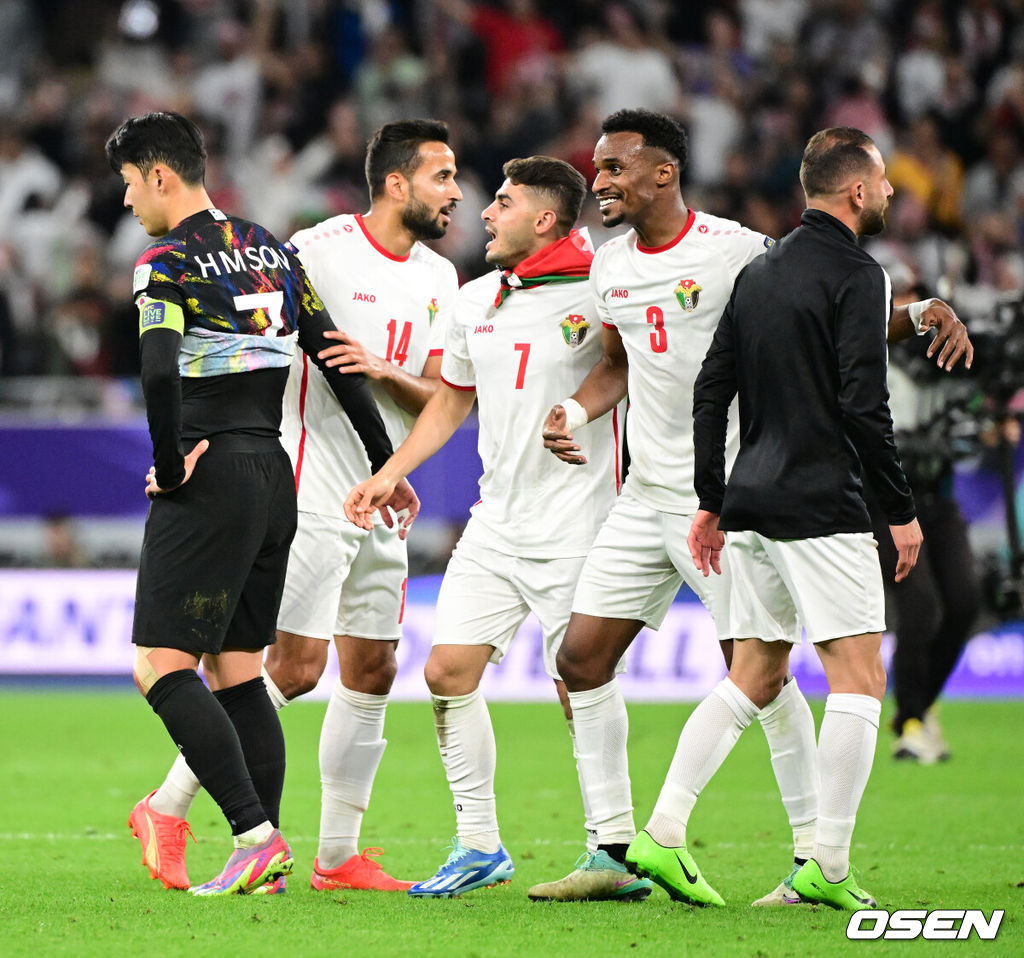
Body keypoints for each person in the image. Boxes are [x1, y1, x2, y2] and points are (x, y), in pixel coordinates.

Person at [535, 109, 968, 907]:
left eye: (614, 170)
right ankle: (616, 845)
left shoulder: (737, 251)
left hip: (733, 491)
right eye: (596, 171)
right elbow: (616, 365)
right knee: (581, 659)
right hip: (657, 495)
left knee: (760, 672)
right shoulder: (609, 267)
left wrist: (913, 316)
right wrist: (575, 411)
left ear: (662, 173)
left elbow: (826, 312)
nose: (599, 183)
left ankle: (806, 847)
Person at [129, 120, 462, 894]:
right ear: (395, 182)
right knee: (288, 667)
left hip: (363, 489)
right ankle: (184, 809)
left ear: (153, 178)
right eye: (442, 175)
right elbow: (309, 345)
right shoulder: (308, 246)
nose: (456, 191)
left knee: (368, 666)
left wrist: (391, 462)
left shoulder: (442, 279)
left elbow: (438, 391)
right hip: (304, 480)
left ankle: (322, 852)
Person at [344, 156, 647, 900]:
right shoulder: (476, 298)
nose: (484, 211)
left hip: (582, 522)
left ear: (545, 219)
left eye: (504, 202)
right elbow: (451, 401)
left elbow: (634, 370)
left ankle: (612, 847)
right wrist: (391, 470)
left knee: (582, 681)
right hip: (496, 524)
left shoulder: (600, 286)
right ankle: (479, 842)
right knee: (446, 673)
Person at [676, 126, 923, 911]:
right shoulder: (862, 273)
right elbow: (862, 405)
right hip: (824, 506)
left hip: (751, 504)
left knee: (752, 674)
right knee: (859, 678)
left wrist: (712, 498)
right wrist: (901, 512)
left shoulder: (760, 271)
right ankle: (829, 867)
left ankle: (661, 830)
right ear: (857, 192)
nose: (887, 194)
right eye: (882, 183)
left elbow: (712, 389)